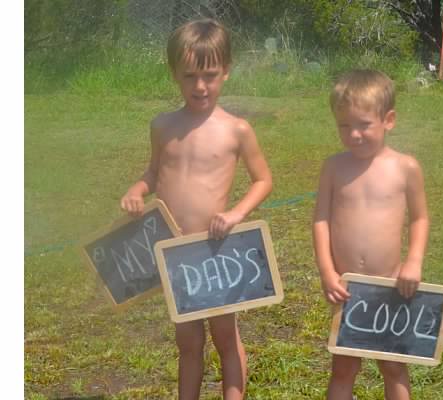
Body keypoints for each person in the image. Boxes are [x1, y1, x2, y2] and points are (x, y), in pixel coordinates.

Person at [120, 18, 272, 400]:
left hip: (215, 251)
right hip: (176, 254)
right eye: (190, 76)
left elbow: (263, 180)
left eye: (210, 75)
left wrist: (236, 214)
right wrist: (137, 190)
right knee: (187, 342)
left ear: (226, 71)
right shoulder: (162, 126)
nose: (200, 86)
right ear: (174, 73)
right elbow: (153, 172)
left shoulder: (236, 129)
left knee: (225, 337)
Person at [313, 69, 429, 400]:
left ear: (388, 120)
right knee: (343, 367)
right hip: (347, 289)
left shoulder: (405, 167)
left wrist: (414, 261)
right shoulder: (333, 167)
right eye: (344, 126)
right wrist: (327, 271)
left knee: (393, 366)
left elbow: (420, 218)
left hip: (391, 285)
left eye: (364, 125)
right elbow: (321, 220)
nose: (354, 134)